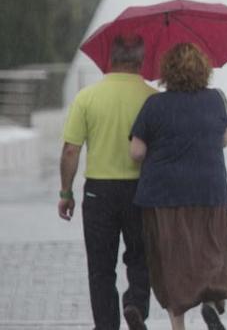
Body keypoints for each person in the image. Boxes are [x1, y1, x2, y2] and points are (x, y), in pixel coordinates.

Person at [129, 42, 227, 330]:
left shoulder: (155, 105)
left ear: (168, 73)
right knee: (213, 252)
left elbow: (136, 152)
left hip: (164, 197)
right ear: (203, 69)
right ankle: (212, 303)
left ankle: (179, 327)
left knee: (171, 263)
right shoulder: (217, 99)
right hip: (209, 192)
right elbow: (224, 140)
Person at [58, 35, 155, 330]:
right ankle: (135, 303)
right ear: (140, 60)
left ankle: (105, 325)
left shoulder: (87, 97)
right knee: (141, 257)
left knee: (101, 267)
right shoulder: (151, 98)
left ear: (110, 59)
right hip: (140, 190)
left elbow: (71, 150)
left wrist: (65, 192)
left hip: (98, 192)